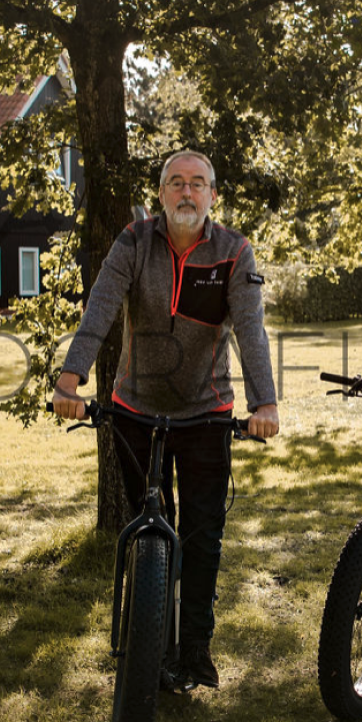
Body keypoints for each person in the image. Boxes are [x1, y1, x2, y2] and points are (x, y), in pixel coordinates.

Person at [51, 149, 280, 692]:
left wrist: (264, 403)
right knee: (146, 531)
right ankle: (150, 639)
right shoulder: (134, 241)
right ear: (160, 194)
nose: (186, 193)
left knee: (202, 537)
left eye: (197, 183)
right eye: (175, 183)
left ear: (212, 196)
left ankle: (196, 647)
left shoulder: (234, 251)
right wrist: (70, 378)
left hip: (206, 414)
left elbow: (250, 330)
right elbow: (102, 306)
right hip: (134, 409)